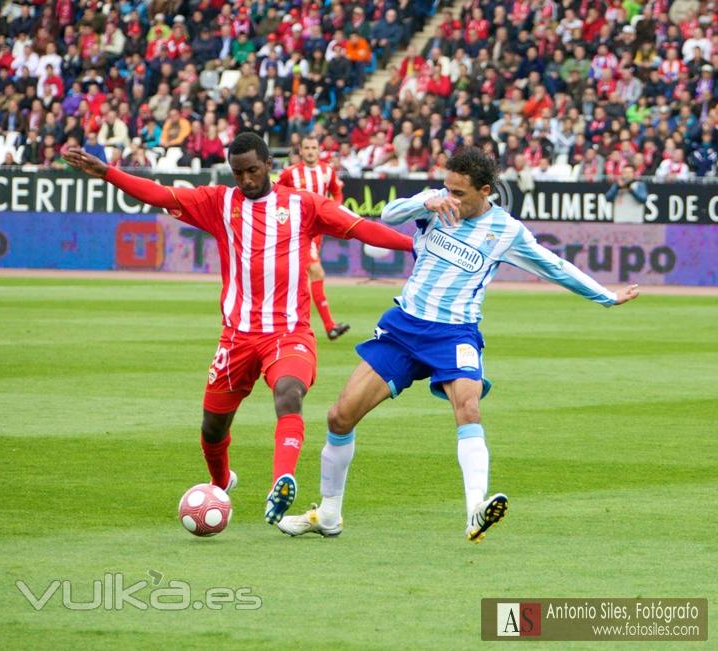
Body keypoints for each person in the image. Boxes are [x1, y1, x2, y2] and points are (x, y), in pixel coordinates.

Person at [278, 147, 639, 542]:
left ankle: (475, 512)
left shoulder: (506, 231)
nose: (451, 198)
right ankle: (328, 514)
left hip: (455, 334)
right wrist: (426, 199)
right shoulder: (435, 204)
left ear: (485, 191)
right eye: (447, 188)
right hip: (404, 327)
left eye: (460, 193)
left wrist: (606, 295)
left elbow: (553, 266)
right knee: (339, 417)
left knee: (468, 408)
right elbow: (388, 215)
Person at [64, 133, 414, 526]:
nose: (245, 180)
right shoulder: (218, 203)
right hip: (236, 339)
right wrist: (108, 173)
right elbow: (160, 195)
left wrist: (412, 247)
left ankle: (282, 480)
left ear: (268, 165)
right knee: (213, 427)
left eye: (252, 170)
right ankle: (220, 482)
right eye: (237, 173)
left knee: (289, 393)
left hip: (288, 333)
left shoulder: (302, 205)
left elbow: (359, 228)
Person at [278, 135, 350, 341]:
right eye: (306, 148)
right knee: (315, 272)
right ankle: (327, 325)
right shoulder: (290, 173)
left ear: (319, 150)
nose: (310, 151)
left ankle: (311, 325)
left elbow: (337, 193)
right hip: (297, 231)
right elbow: (276, 193)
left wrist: (333, 210)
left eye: (313, 148)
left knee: (299, 276)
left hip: (317, 233)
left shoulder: (327, 171)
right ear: (300, 151)